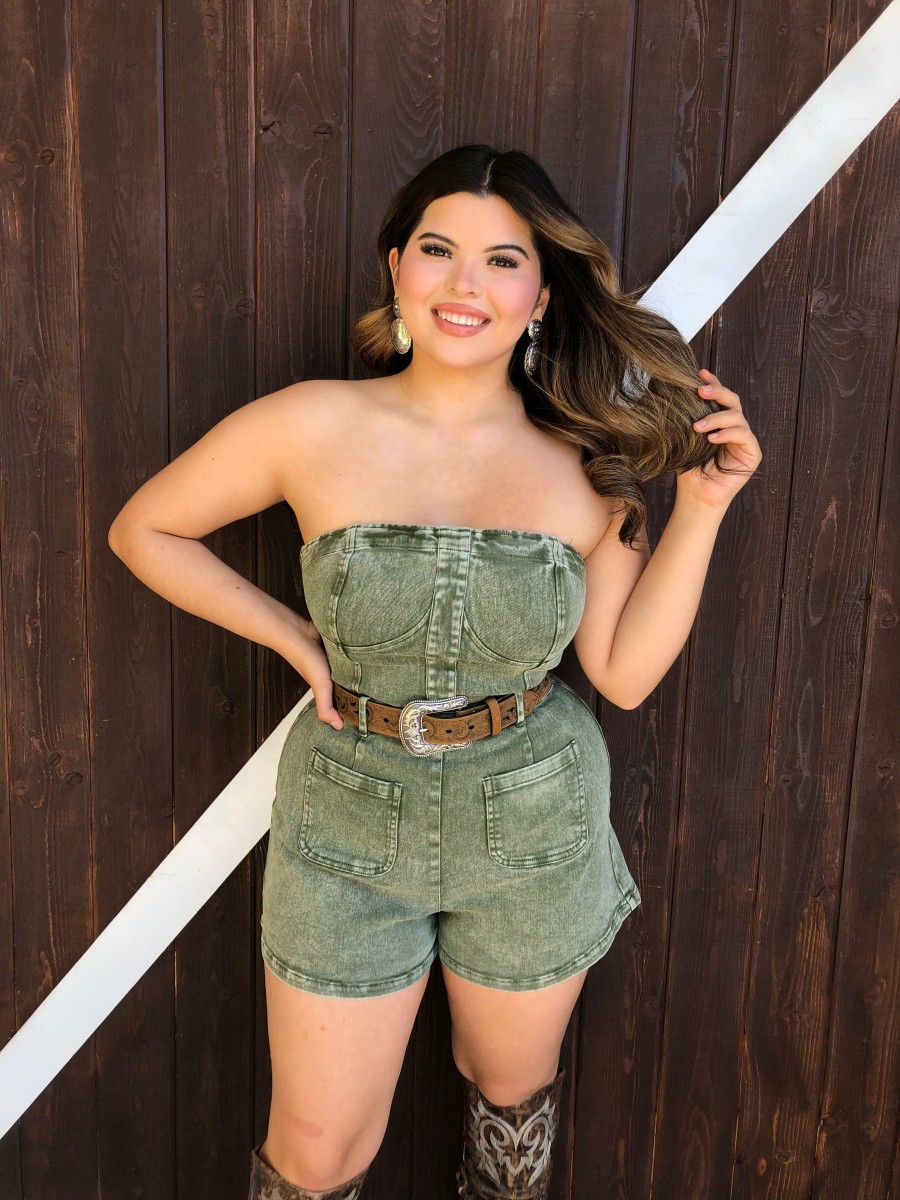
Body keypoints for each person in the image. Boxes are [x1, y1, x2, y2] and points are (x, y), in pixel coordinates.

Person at [108, 143, 761, 1200]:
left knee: (509, 1105)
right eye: (438, 249)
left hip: (534, 818)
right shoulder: (311, 422)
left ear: (540, 295)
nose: (466, 284)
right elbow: (146, 529)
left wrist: (704, 507)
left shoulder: (590, 457)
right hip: (346, 818)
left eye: (503, 261)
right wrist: (294, 638)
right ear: (397, 266)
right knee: (317, 1151)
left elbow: (623, 673)